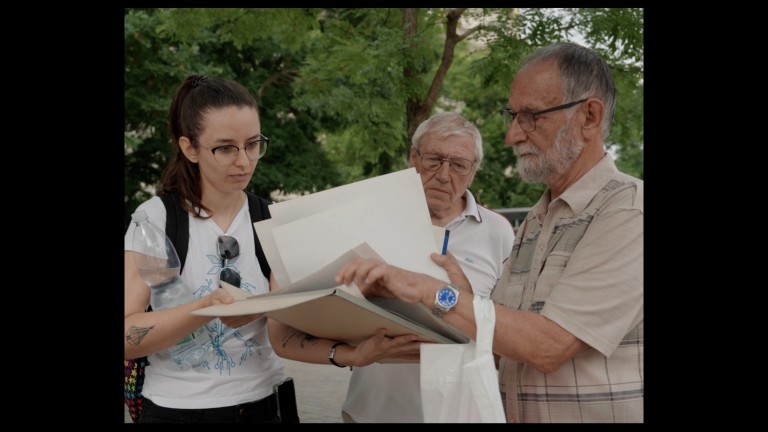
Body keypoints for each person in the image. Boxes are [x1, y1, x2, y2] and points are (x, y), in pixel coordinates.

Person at [335, 42, 643, 423]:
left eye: (530, 117)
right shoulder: (536, 221)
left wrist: (429, 291)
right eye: (512, 116)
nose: (512, 135)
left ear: (589, 116)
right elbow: (499, 344)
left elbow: (550, 346)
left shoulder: (629, 211)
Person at [124, 74, 419, 423]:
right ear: (190, 148)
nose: (244, 161)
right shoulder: (156, 219)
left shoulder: (271, 221)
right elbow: (128, 335)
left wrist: (354, 355)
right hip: (176, 411)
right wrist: (204, 308)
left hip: (262, 407)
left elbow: (282, 338)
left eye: (253, 144)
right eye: (226, 148)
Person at [339, 112, 515, 423]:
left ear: (473, 171)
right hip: (373, 410)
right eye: (434, 159)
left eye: (458, 165)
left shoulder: (498, 232)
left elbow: (508, 331)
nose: (444, 175)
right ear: (413, 157)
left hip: (460, 413)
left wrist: (462, 302)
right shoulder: (372, 218)